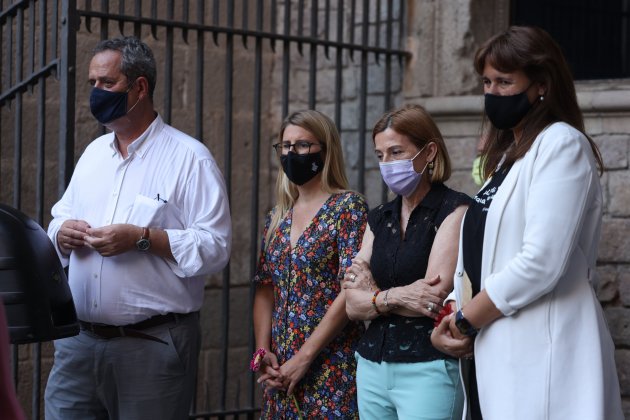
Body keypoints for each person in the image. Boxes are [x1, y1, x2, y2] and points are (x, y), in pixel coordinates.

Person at [431, 26, 624, 420]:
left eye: (505, 82)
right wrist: (452, 311)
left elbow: (541, 260)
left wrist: (467, 320)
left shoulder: (561, 144)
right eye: (486, 81)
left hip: (544, 351)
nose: (493, 93)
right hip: (496, 351)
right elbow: (482, 254)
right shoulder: (507, 159)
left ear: (540, 86)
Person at [44, 37, 231, 419]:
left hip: (151, 345)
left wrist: (141, 239)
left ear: (140, 87)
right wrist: (63, 233)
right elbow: (59, 216)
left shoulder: (190, 159)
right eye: (92, 83)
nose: (96, 92)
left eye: (106, 83)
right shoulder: (94, 154)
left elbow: (216, 246)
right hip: (78, 344)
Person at [343, 104, 470, 419]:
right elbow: (351, 305)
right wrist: (395, 296)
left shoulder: (454, 210)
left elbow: (429, 300)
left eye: (397, 152)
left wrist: (372, 294)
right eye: (380, 155)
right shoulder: (379, 217)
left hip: (428, 366)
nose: (387, 163)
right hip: (372, 364)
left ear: (428, 152)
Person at [252, 109, 368, 419]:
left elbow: (351, 288)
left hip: (330, 364)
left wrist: (304, 358)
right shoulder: (277, 217)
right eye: (286, 146)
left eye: (302, 145)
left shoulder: (347, 207)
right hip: (280, 370)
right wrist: (263, 352)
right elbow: (265, 288)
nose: (292, 153)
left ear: (325, 150)